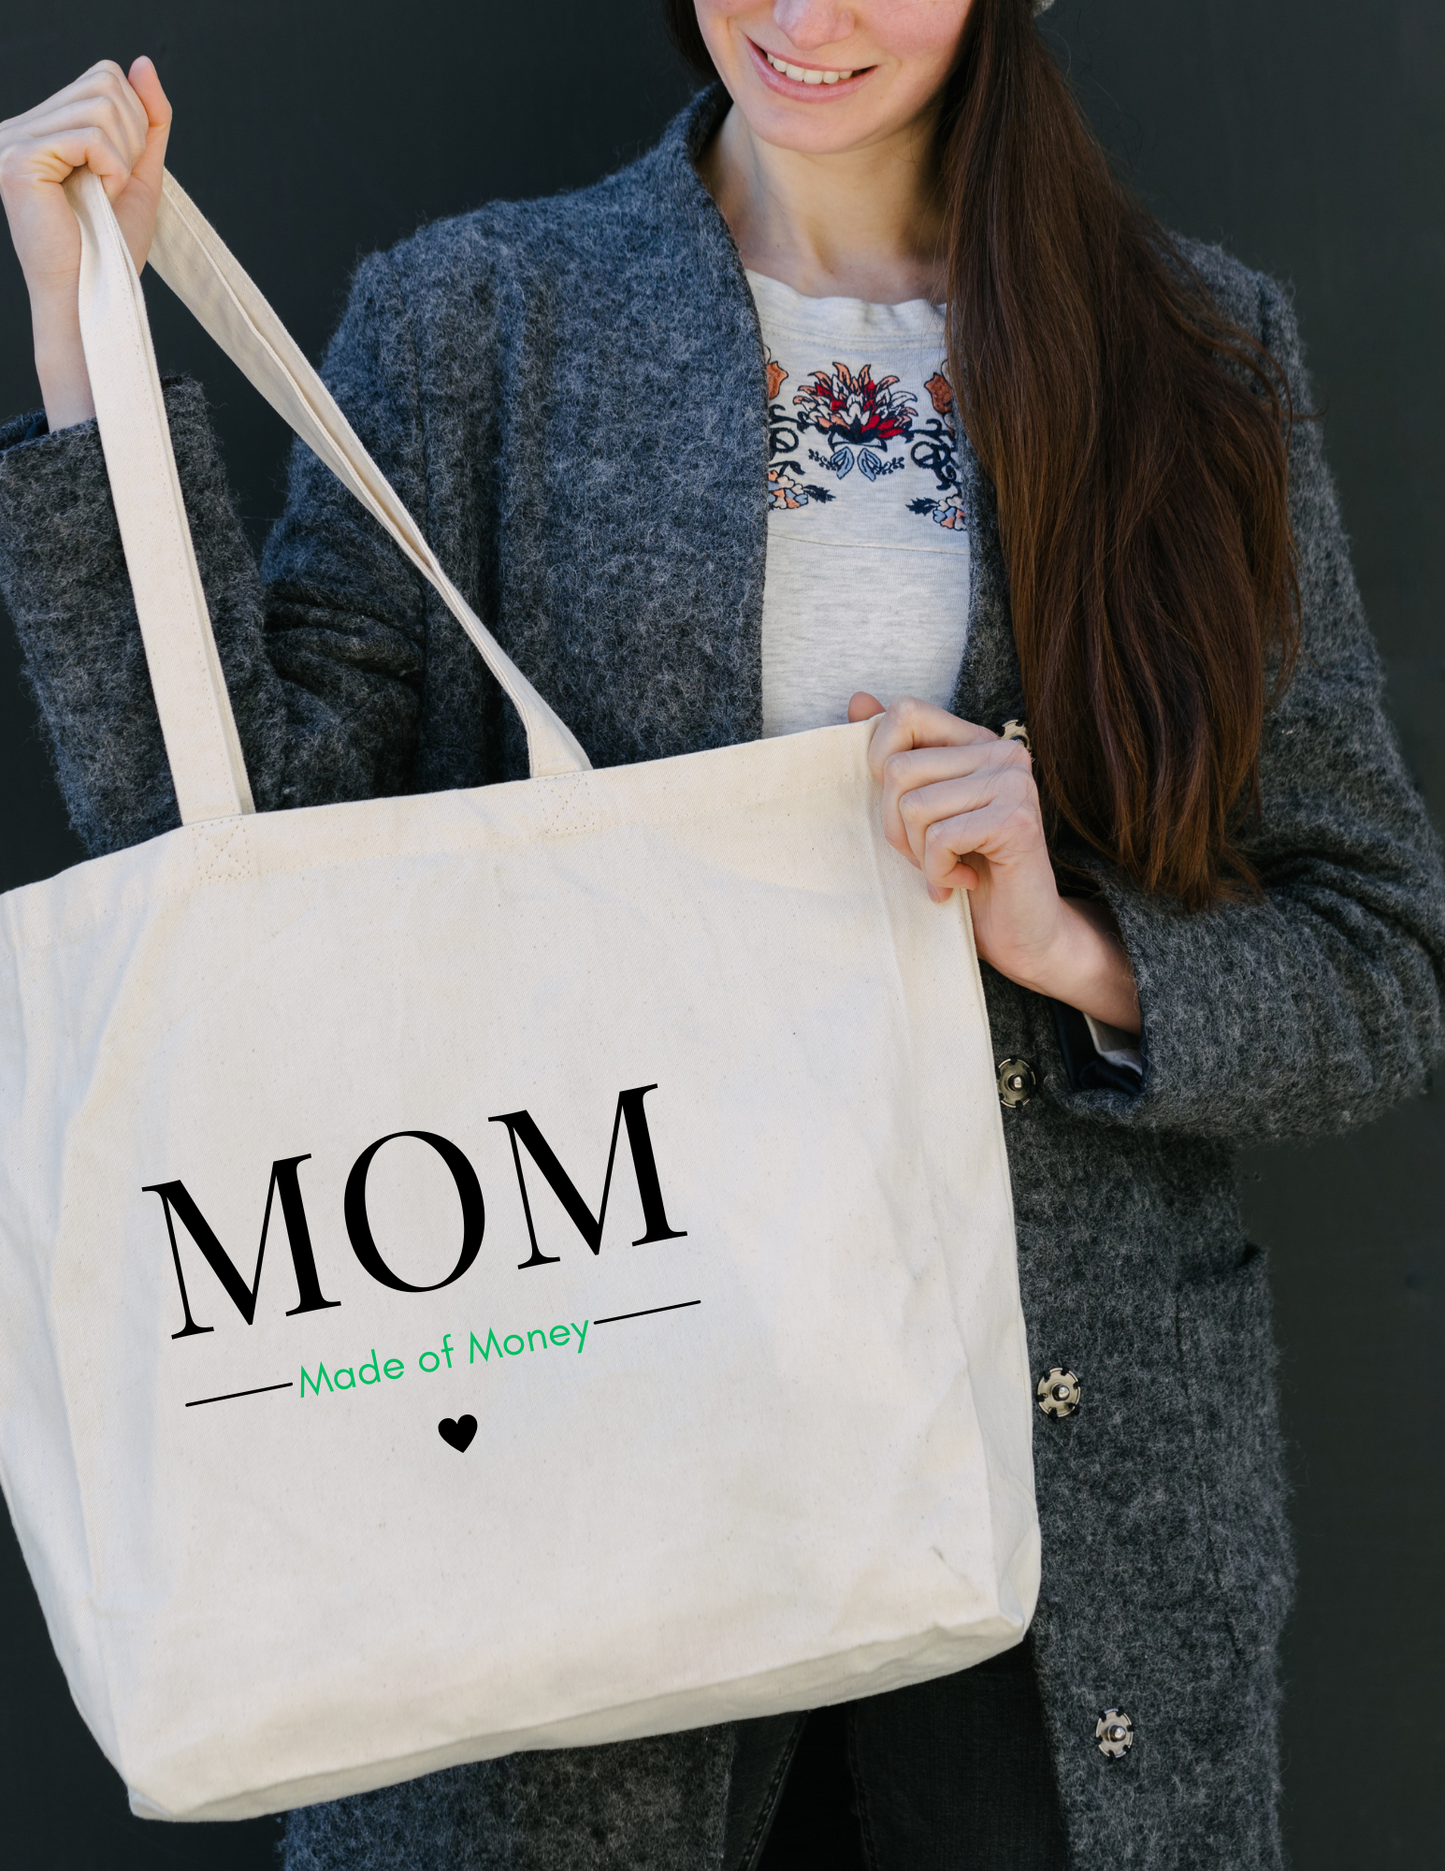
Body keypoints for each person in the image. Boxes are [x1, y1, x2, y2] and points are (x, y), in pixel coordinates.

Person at [1, 2, 1441, 1866]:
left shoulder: (1201, 351)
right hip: (560, 1469)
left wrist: (1082, 937)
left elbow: (1379, 953)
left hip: (1054, 1529)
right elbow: (231, 868)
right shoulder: (481, 319)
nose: (806, 12)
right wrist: (78, 320)